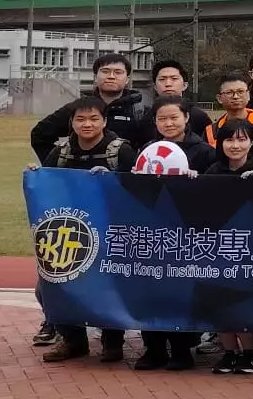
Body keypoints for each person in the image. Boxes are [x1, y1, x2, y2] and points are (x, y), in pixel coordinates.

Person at [35, 96, 136, 362]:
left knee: (110, 285)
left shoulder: (120, 151)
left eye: (93, 119)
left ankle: (113, 342)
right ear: (71, 122)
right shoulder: (61, 151)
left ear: (104, 121)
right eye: (80, 119)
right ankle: (72, 340)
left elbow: (137, 188)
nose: (87, 124)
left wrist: (112, 179)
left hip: (113, 231)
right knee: (53, 285)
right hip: (71, 232)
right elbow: (47, 186)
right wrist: (36, 175)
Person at [200, 117, 253, 375]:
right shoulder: (213, 171)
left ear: (252, 142)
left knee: (245, 302)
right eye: (229, 140)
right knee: (220, 301)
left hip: (252, 249)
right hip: (218, 247)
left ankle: (250, 353)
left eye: (242, 139)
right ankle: (229, 353)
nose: (235, 145)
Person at [31, 52, 148, 161]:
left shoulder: (140, 111)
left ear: (127, 79)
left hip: (122, 175)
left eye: (118, 72)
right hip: (82, 174)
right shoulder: (78, 107)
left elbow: (150, 148)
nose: (111, 76)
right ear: (95, 77)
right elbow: (39, 135)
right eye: (105, 71)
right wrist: (60, 166)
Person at [138, 61, 215, 147]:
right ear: (155, 86)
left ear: (185, 85)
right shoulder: (146, 119)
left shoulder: (200, 117)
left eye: (174, 79)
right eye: (162, 79)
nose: (168, 84)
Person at [143, 97, 214, 174]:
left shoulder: (204, 151)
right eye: (162, 119)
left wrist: (196, 178)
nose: (168, 124)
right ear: (155, 120)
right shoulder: (148, 149)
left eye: (174, 118)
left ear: (186, 117)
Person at [209, 74, 253, 141]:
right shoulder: (211, 132)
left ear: (248, 95)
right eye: (229, 92)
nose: (235, 96)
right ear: (219, 98)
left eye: (240, 92)